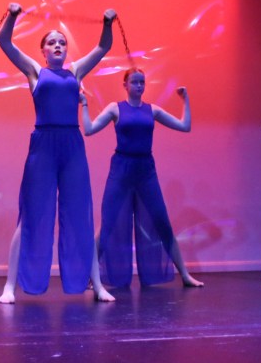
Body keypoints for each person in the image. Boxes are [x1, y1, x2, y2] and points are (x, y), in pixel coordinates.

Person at [0, 3, 117, 303]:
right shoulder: (35, 72)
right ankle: (9, 286)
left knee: (80, 215)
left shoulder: (75, 71)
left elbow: (103, 47)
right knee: (30, 215)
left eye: (62, 42)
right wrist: (12, 16)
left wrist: (107, 22)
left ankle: (97, 285)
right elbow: (4, 42)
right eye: (52, 43)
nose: (58, 46)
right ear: (43, 51)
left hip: (72, 145)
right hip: (43, 146)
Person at [81, 68, 204, 289]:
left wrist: (185, 100)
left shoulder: (152, 110)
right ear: (125, 85)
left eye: (142, 82)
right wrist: (84, 105)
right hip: (121, 169)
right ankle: (91, 277)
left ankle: (185, 275)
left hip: (146, 170)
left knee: (162, 222)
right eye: (135, 82)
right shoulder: (115, 108)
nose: (139, 86)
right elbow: (89, 130)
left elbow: (185, 126)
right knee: (107, 224)